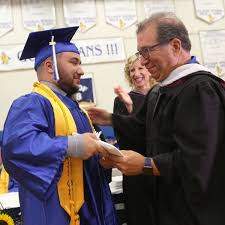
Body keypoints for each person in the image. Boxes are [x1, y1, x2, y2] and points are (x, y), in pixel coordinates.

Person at [88, 12, 225, 225]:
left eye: (147, 51)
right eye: (139, 52)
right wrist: (112, 121)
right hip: (166, 209)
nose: (143, 60)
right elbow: (143, 130)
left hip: (198, 212)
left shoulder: (200, 89)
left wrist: (145, 164)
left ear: (175, 45)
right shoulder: (158, 91)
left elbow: (201, 159)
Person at [2, 27, 119, 225]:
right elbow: (18, 147)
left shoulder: (77, 109)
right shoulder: (32, 103)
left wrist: (102, 160)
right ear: (50, 66)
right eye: (74, 62)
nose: (81, 70)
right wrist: (73, 145)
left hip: (91, 211)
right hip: (58, 214)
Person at [113, 54, 156, 225]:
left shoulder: (161, 95)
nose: (136, 73)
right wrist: (130, 107)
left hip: (161, 170)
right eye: (132, 70)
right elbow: (126, 140)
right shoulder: (122, 101)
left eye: (140, 68)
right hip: (137, 173)